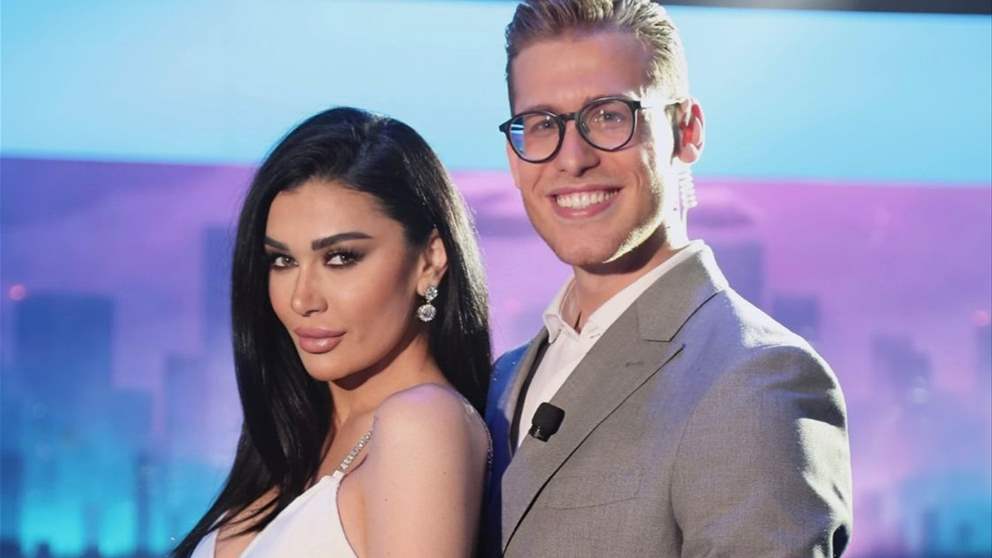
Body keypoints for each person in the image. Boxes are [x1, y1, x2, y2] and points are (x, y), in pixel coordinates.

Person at [483, 1, 853, 556]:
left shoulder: (754, 378)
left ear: (687, 130)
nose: (572, 158)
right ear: (514, 158)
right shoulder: (502, 379)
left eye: (608, 116)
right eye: (542, 125)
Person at [173, 107, 492, 557]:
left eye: (341, 257)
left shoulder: (421, 422)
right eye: (283, 261)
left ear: (430, 259)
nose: (302, 299)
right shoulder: (297, 439)